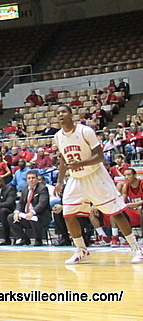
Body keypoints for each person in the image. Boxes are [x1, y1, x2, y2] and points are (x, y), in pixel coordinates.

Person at [52, 105, 143, 264]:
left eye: (63, 111)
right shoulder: (58, 136)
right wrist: (59, 181)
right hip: (76, 178)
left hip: (95, 175)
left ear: (71, 114)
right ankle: (81, 250)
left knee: (115, 212)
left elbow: (100, 156)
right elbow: (63, 160)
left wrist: (80, 162)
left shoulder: (84, 131)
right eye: (58, 113)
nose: (61, 115)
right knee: (68, 214)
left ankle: (136, 248)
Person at [10, 170, 51, 246]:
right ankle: (23, 239)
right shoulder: (25, 189)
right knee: (11, 217)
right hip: (26, 214)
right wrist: (17, 212)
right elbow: (21, 203)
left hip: (40, 214)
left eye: (33, 178)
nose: (31, 180)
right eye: (29, 178)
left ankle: (38, 240)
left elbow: (42, 203)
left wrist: (32, 212)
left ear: (37, 179)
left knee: (33, 218)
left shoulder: (42, 188)